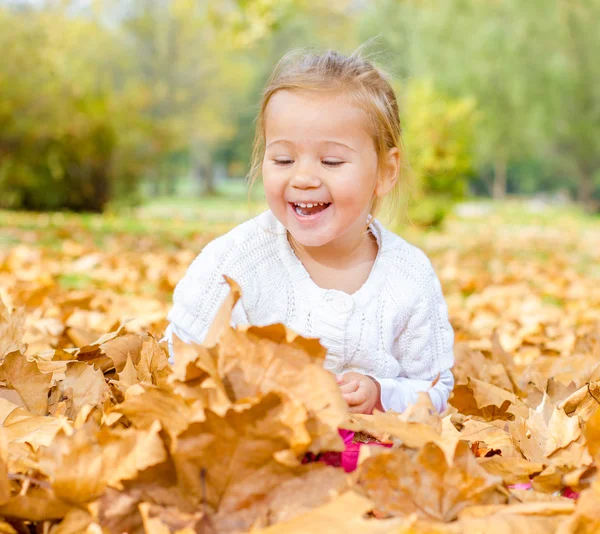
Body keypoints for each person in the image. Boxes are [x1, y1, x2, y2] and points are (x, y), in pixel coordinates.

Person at [163, 48, 455, 417]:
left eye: (331, 161)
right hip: (260, 447)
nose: (302, 178)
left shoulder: (409, 277)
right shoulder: (235, 262)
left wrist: (382, 393)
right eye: (283, 160)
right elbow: (181, 352)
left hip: (372, 458)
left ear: (385, 171)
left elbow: (434, 385)